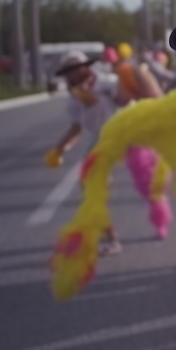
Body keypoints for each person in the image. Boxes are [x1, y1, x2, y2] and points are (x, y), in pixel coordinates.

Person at [48, 51, 135, 255]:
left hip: (122, 136)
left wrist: (102, 94)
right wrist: (60, 149)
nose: (75, 73)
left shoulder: (107, 83)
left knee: (151, 182)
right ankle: (110, 237)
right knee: (91, 190)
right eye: (69, 71)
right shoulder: (73, 99)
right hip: (97, 144)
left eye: (77, 68)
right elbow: (76, 128)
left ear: (87, 67)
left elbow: (127, 100)